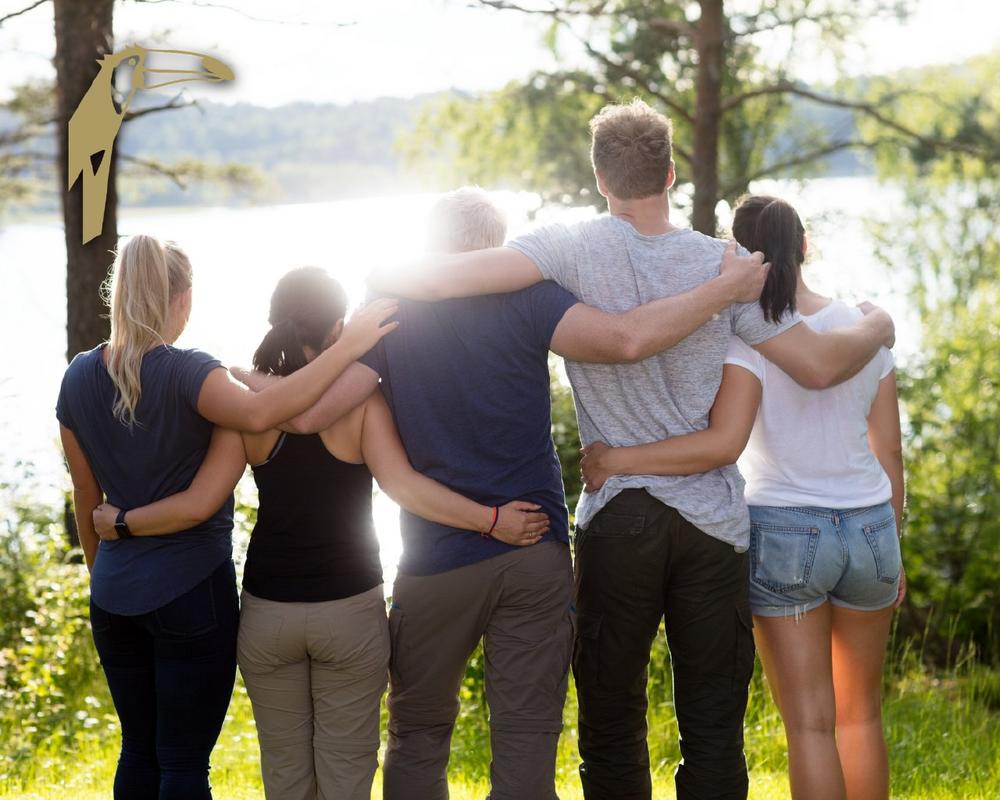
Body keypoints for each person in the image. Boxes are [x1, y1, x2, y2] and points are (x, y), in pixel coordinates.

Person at [368, 102, 896, 800]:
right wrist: (878, 326)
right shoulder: (726, 265)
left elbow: (440, 278)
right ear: (671, 174)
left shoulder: (567, 249)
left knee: (613, 719)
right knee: (715, 727)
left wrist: (376, 278)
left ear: (600, 180)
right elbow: (821, 366)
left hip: (618, 514)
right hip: (713, 523)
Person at [256, 185, 768, 800]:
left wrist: (243, 383)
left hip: (436, 559)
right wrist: (723, 290)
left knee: (418, 732)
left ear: (433, 244)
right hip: (533, 545)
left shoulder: (391, 312)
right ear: (496, 247)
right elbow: (624, 340)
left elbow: (311, 416)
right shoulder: (531, 296)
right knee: (526, 734)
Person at [92, 266, 551, 800]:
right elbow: (404, 486)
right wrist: (490, 519)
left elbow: (200, 502)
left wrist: (122, 520)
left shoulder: (249, 410)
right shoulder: (362, 403)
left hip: (268, 612)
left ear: (276, 322)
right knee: (347, 776)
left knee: (285, 774)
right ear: (338, 329)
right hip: (348, 611)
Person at [579, 195, 905, 800]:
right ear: (804, 245)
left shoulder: (747, 335)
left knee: (810, 724)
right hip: (871, 527)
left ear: (739, 254)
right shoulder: (863, 329)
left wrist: (616, 459)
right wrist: (894, 540)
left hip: (786, 532)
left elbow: (723, 441)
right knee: (862, 714)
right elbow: (888, 450)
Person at [57, 235, 396, 800]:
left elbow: (85, 496)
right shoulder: (191, 373)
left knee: (138, 750)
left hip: (115, 596)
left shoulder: (76, 377)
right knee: (183, 762)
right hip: (190, 592)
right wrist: (351, 348)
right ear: (183, 299)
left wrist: (105, 575)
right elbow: (260, 420)